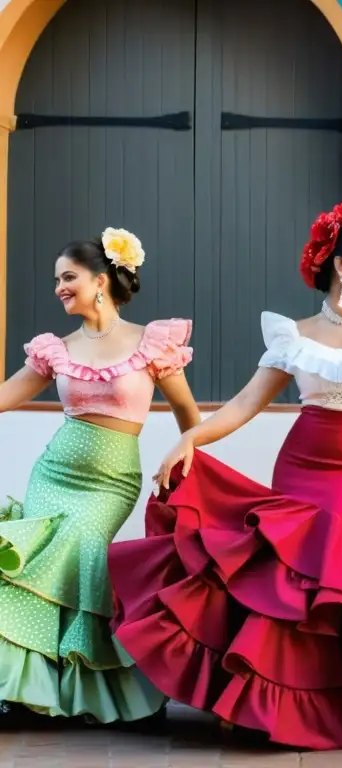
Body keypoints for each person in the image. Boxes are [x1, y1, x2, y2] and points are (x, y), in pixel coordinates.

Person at [106, 202, 342, 749]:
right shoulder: (292, 335)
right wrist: (189, 438)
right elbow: (244, 405)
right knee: (281, 570)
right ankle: (257, 698)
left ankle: (311, 700)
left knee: (322, 558)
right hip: (300, 462)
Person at [0, 230, 198, 723]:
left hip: (111, 483)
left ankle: (118, 689)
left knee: (86, 558)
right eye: (56, 280)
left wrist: (186, 451)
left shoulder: (153, 343)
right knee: (38, 571)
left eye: (68, 277)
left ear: (101, 280)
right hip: (53, 473)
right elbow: (5, 395)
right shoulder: (57, 349)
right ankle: (26, 694)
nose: (59, 288)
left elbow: (190, 417)